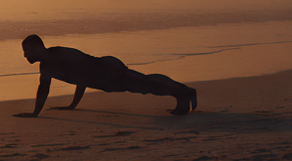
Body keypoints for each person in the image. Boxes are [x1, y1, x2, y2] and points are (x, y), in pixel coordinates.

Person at [19, 34, 197, 116]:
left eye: (27, 51)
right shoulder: (46, 66)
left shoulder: (58, 54)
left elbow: (83, 71)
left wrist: (71, 105)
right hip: (105, 77)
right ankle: (183, 91)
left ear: (37, 48)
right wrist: (70, 106)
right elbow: (47, 89)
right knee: (145, 81)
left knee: (145, 85)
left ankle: (183, 94)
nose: (25, 55)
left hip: (108, 70)